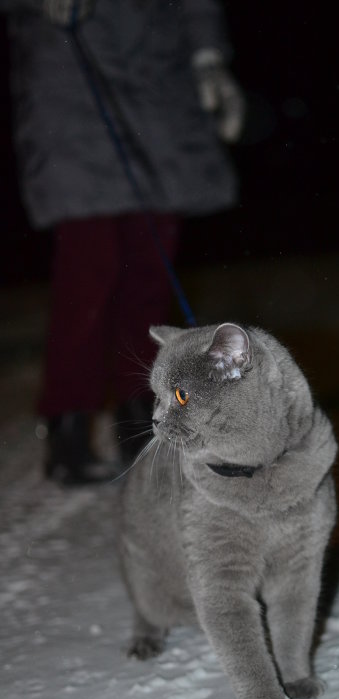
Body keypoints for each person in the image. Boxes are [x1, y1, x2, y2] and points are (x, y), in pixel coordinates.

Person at [2, 0, 244, 484]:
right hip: (74, 75)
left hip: (159, 86)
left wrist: (208, 58)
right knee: (91, 274)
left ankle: (144, 424)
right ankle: (68, 428)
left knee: (149, 272)